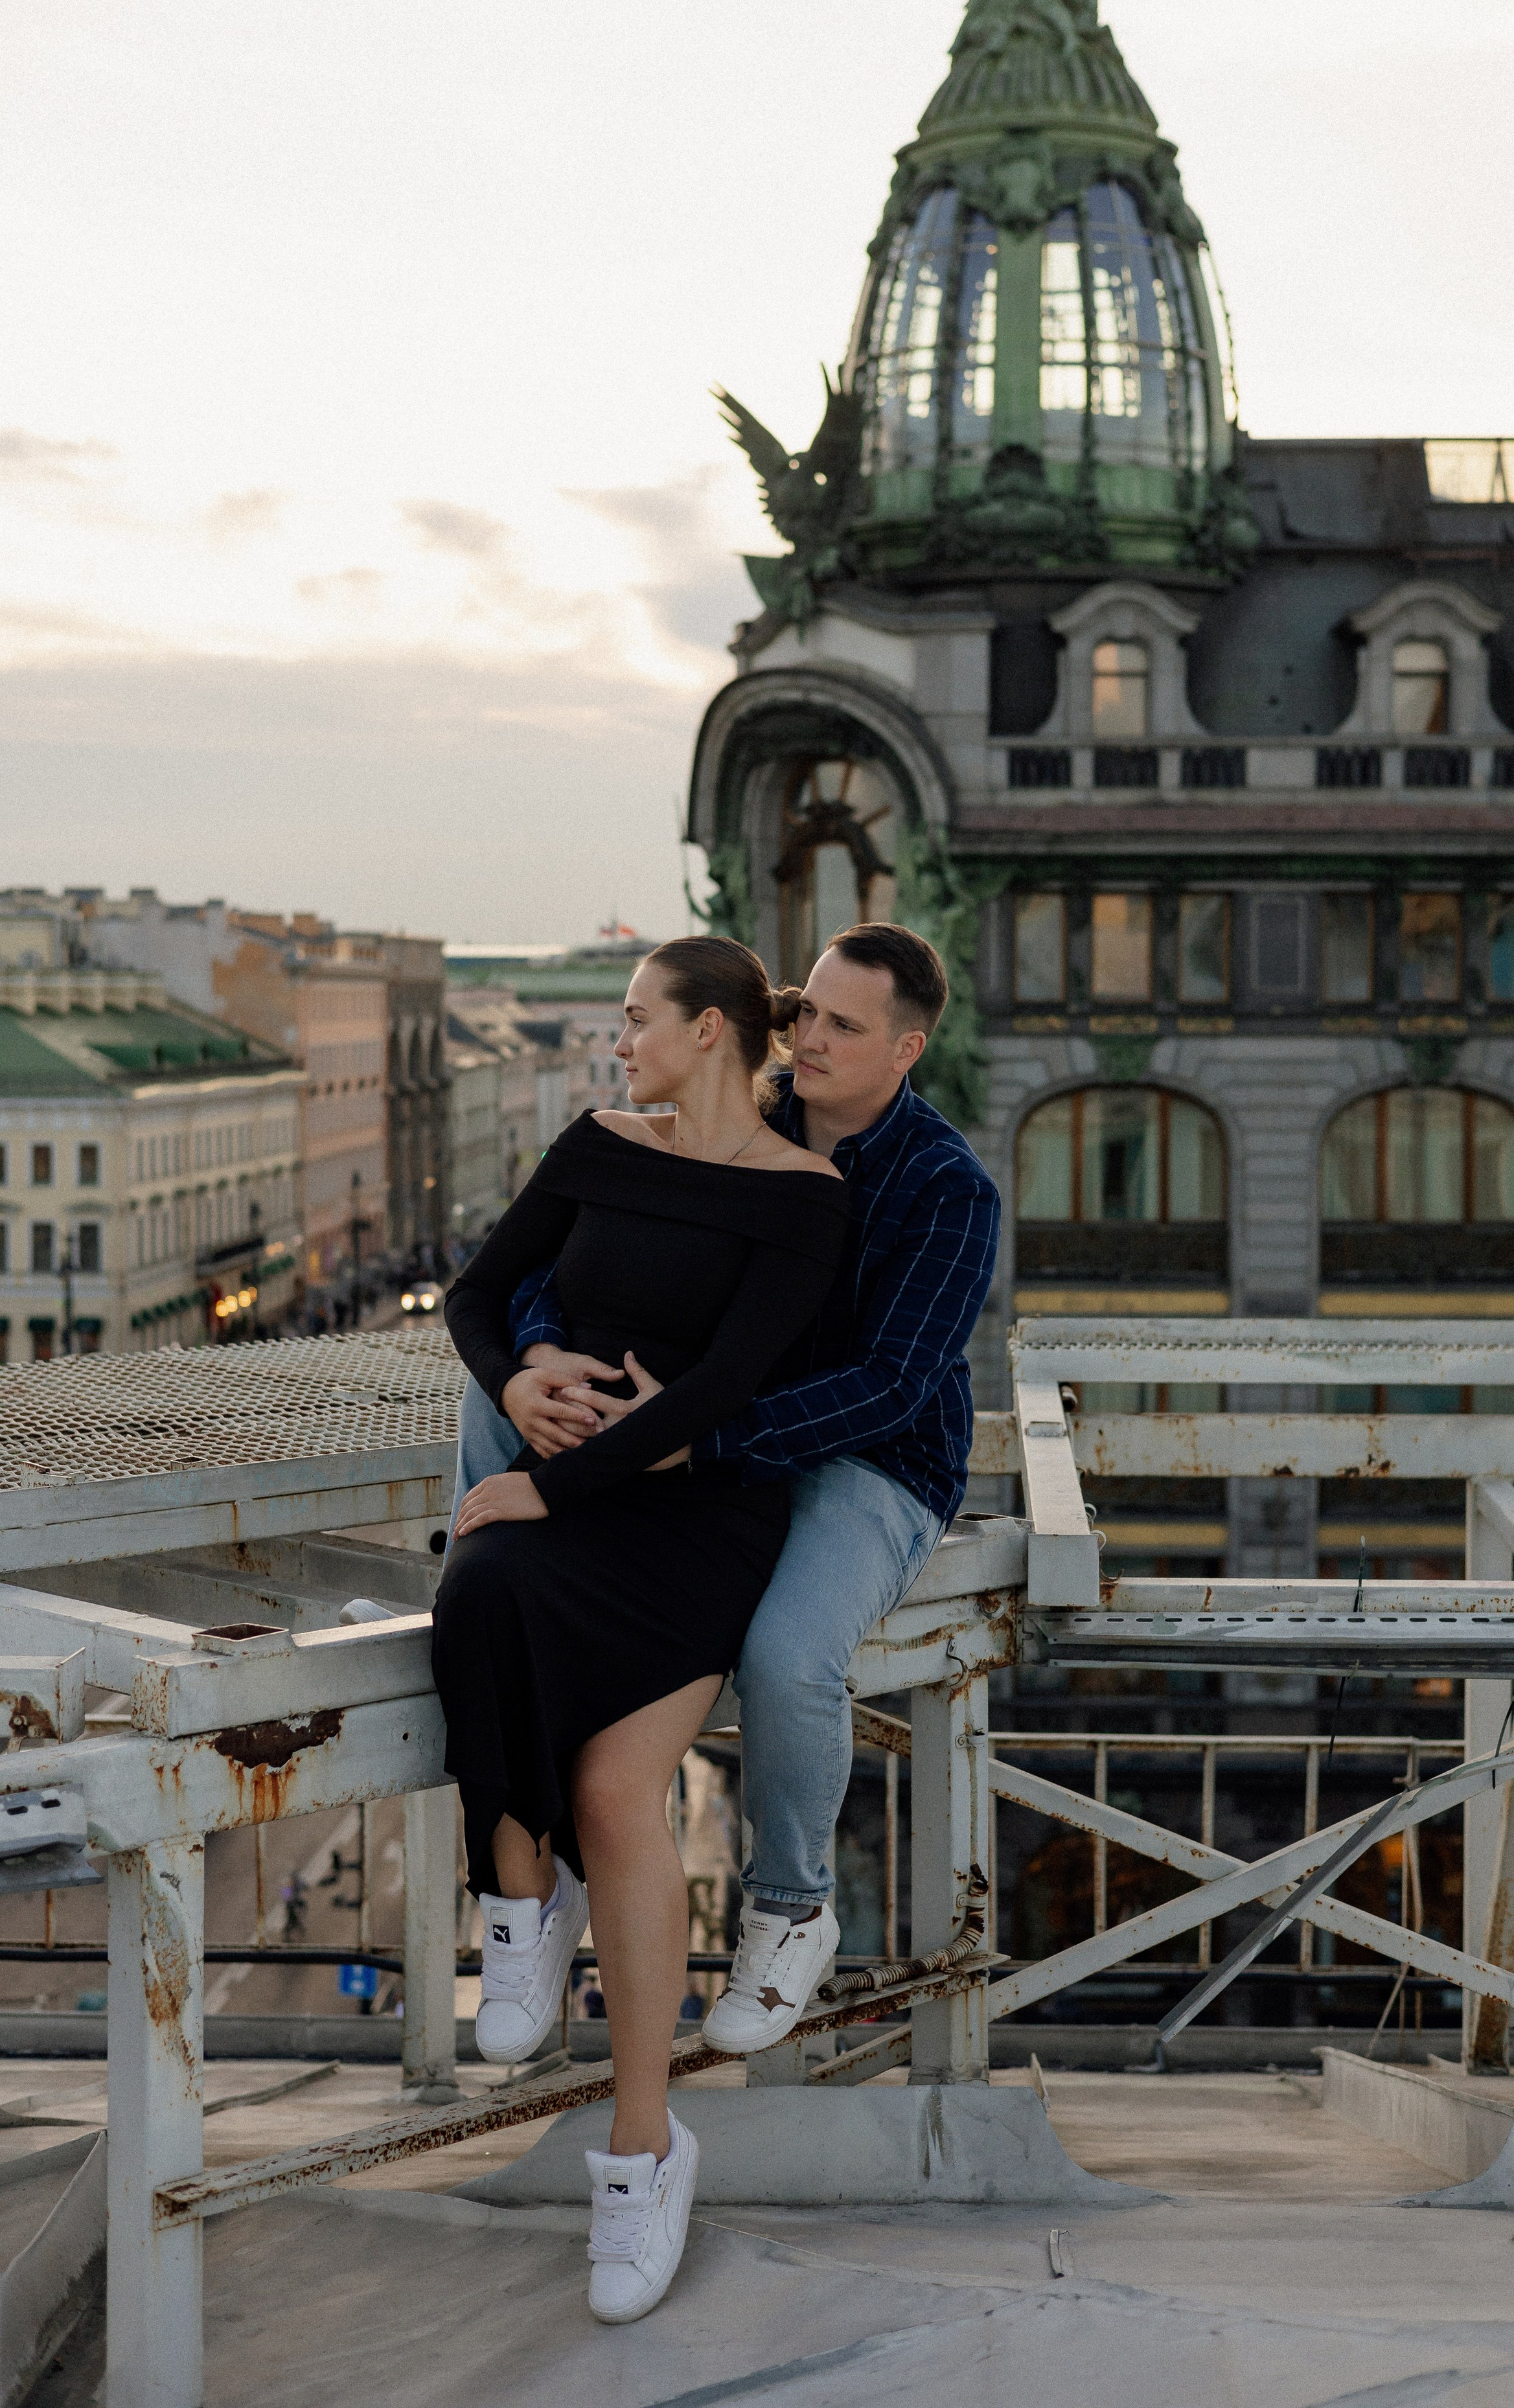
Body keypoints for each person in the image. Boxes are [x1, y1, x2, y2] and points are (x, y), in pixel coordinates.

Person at [453, 921, 1000, 2056]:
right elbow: (575, 1259)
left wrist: (690, 1438)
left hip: (861, 1460)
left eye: (846, 1027)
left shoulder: (948, 1188)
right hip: (695, 1430)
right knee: (491, 1400)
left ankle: (792, 1907)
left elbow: (892, 1387)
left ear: (907, 1051)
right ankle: (469, 1588)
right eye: (806, 1013)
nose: (810, 1039)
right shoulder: (741, 1116)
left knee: (790, 1656)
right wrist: (547, 1358)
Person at [434, 935, 846, 2325]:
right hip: (574, 1499)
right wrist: (527, 1375)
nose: (620, 1043)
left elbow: (726, 1385)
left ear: (713, 1033)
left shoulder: (805, 1197)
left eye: (635, 1021)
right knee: (476, 1588)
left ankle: (639, 2152)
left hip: (695, 1523)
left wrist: (550, 1482)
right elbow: (479, 1294)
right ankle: (515, 1896)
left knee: (619, 1792)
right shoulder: (599, 1140)